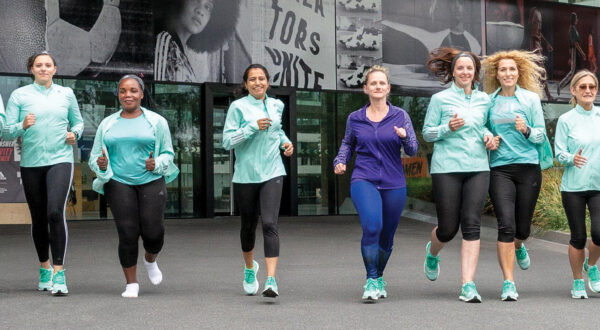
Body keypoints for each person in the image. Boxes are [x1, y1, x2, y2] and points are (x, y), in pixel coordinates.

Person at [88, 75, 179, 298]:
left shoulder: (156, 121)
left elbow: (168, 153)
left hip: (150, 180)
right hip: (118, 182)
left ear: (141, 94)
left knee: (153, 232)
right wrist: (100, 164)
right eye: (122, 91)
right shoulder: (107, 123)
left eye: (132, 91)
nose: (127, 95)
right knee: (127, 232)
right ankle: (131, 284)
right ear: (118, 94)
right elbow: (94, 156)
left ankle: (150, 260)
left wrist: (156, 163)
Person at [333, 65, 418, 301]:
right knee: (372, 226)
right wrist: (340, 161)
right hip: (364, 178)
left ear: (388, 88)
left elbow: (412, 150)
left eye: (382, 83)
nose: (378, 87)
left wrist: (404, 136)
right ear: (366, 88)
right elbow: (347, 144)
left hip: (394, 182)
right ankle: (371, 279)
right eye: (373, 83)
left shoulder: (400, 115)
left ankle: (379, 275)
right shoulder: (356, 118)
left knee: (387, 236)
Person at [2, 51, 83, 296]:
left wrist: (75, 134)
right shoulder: (20, 95)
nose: (44, 68)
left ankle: (59, 272)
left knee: (55, 212)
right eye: (39, 65)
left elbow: (77, 122)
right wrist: (22, 125)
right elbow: (5, 132)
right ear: (32, 69)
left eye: (48, 65)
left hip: (60, 160)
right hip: (31, 163)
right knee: (38, 218)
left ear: (55, 70)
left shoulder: (66, 94)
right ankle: (44, 268)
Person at [422, 48, 498, 303]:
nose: (465, 72)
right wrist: (447, 127)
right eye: (460, 68)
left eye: (469, 68)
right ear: (453, 72)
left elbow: (486, 126)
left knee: (471, 224)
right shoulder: (440, 99)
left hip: (478, 167)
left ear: (475, 72)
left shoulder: (484, 100)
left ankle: (468, 285)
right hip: (447, 169)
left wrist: (488, 136)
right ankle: (433, 252)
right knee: (447, 229)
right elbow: (428, 133)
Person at [482, 50, 553, 301]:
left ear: (518, 73)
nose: (508, 73)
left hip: (528, 167)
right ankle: (509, 282)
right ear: (497, 74)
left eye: (512, 69)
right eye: (503, 70)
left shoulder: (531, 100)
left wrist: (526, 130)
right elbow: (484, 131)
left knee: (522, 229)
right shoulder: (489, 101)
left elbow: (540, 137)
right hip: (500, 169)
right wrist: (489, 139)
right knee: (506, 226)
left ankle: (520, 245)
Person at [222, 64, 293, 298]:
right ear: (245, 84)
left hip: (273, 171)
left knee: (270, 224)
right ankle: (250, 268)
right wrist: (251, 127)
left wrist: (286, 142)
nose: (257, 83)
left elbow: (278, 131)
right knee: (248, 226)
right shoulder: (237, 107)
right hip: (246, 175)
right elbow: (227, 142)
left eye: (261, 78)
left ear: (267, 82)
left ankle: (271, 280)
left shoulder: (277, 105)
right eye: (252, 79)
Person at [555, 70, 600, 299]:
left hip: (598, 186)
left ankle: (591, 266)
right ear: (574, 91)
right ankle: (577, 282)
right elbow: (558, 153)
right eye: (583, 87)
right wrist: (572, 158)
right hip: (573, 187)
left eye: (592, 86)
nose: (588, 91)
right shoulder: (566, 120)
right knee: (578, 237)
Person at [153, 0, 239, 83]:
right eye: (195, 0)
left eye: (207, 7)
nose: (200, 11)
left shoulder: (181, 55)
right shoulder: (165, 42)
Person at [557, 13, 586, 96]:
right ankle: (560, 85)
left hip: (575, 52)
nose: (577, 20)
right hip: (575, 51)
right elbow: (575, 44)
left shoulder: (573, 29)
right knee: (573, 72)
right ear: (574, 19)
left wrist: (571, 57)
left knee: (577, 72)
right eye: (576, 18)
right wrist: (582, 53)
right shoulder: (572, 29)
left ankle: (577, 90)